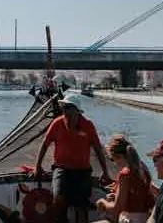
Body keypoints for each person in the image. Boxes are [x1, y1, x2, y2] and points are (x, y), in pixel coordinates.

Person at [34, 95, 111, 223]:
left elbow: (98, 148)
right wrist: (37, 166)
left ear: (77, 111)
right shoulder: (57, 123)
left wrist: (105, 171)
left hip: (82, 170)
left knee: (81, 204)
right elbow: (45, 144)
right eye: (64, 108)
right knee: (58, 197)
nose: (65, 111)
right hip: (61, 168)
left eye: (69, 107)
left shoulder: (88, 125)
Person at [94, 135, 155, 223]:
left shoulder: (125, 174)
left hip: (129, 219)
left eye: (112, 159)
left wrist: (102, 202)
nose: (114, 163)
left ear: (118, 156)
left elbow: (116, 209)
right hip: (144, 218)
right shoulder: (143, 168)